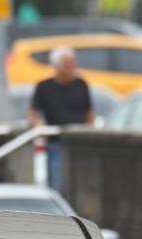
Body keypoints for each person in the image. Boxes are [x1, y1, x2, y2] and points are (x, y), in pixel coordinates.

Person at [28, 47, 95, 192]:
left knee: (83, 184)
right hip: (55, 142)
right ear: (57, 67)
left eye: (73, 64)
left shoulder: (81, 85)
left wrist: (90, 131)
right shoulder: (44, 87)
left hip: (79, 143)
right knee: (56, 182)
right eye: (67, 65)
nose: (72, 68)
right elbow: (33, 113)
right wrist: (39, 126)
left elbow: (89, 112)